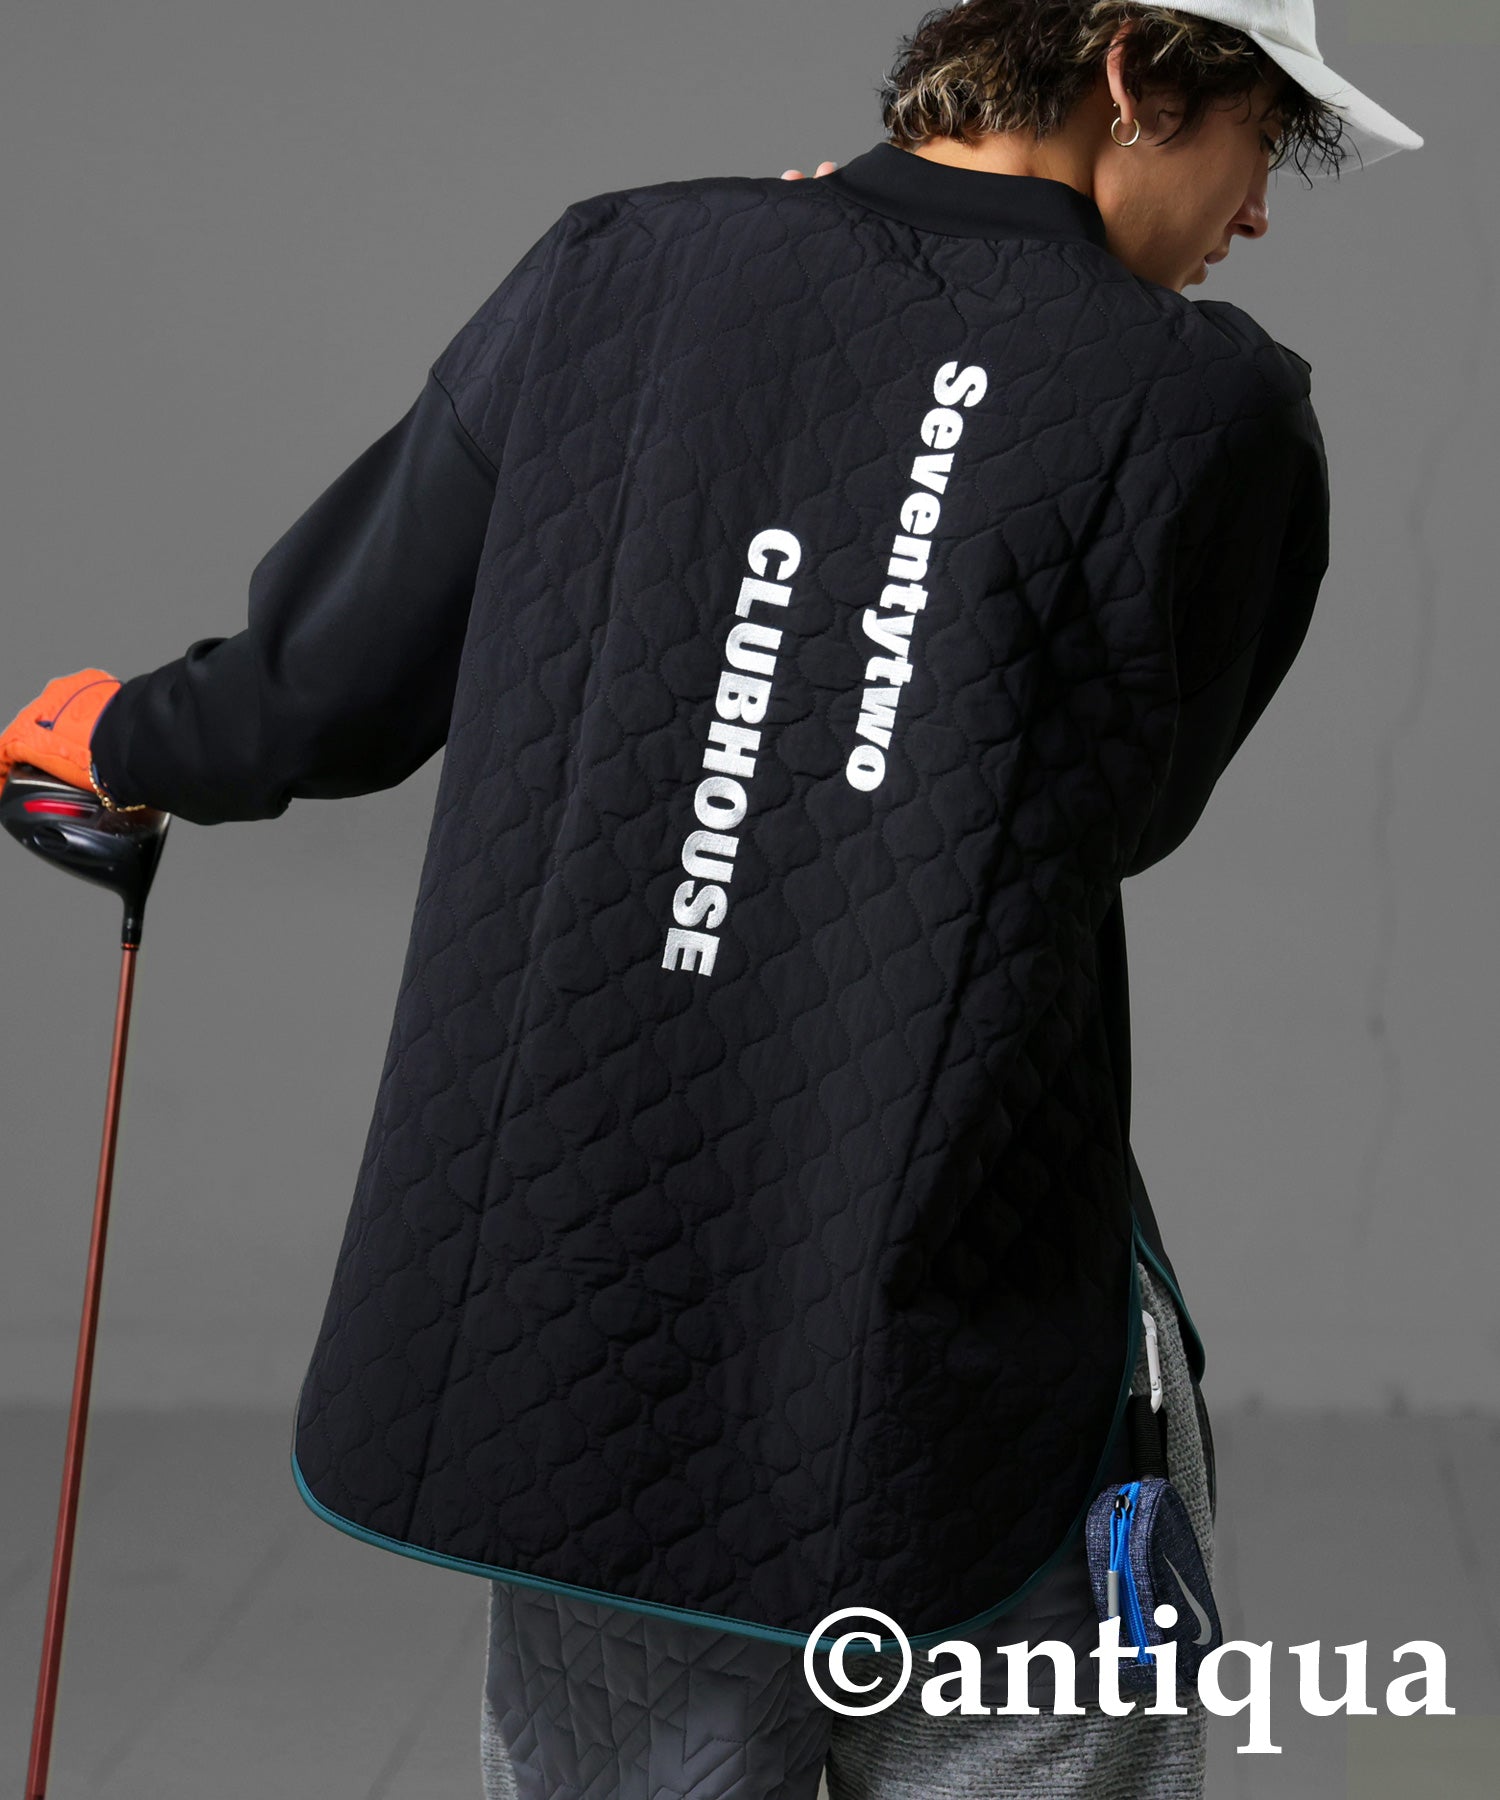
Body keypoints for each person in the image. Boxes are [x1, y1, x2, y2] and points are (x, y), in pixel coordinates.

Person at [0, 3, 1421, 1796]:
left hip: (609, 1335)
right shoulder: (1215, 406)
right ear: (1133, 70)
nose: (1260, 212)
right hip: (968, 1348)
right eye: (1262, 142)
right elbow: (1117, 814)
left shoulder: (623, 266)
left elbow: (317, 691)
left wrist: (119, 735)